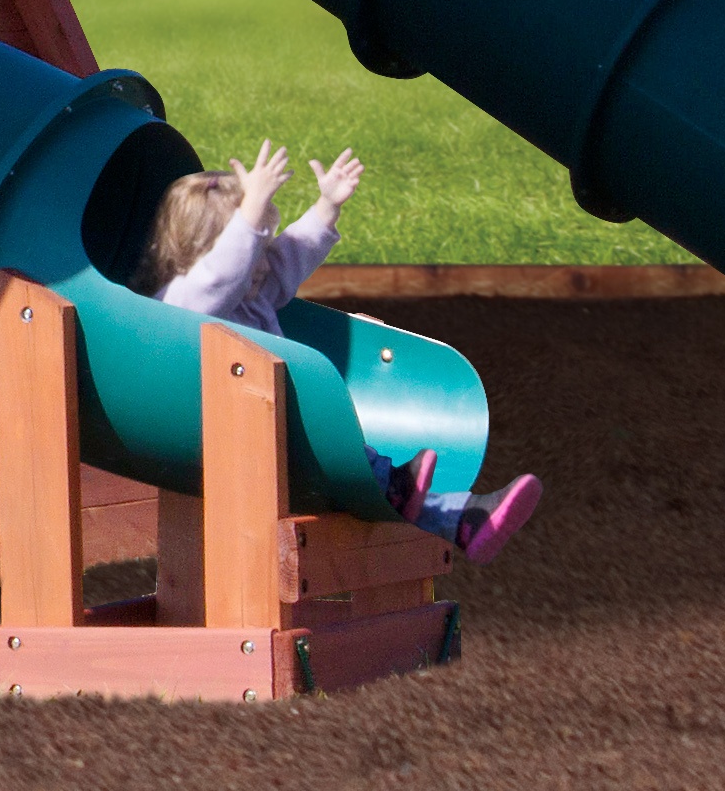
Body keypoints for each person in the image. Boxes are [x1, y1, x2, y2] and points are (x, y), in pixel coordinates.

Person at [139, 140, 542, 564]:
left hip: (281, 434)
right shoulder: (182, 304)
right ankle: (409, 492)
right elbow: (222, 276)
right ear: (200, 248)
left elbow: (289, 258)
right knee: (351, 463)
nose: (263, 261)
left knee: (358, 463)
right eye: (255, 246)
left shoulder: (252, 296)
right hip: (234, 447)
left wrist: (326, 207)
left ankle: (462, 518)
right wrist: (251, 213)